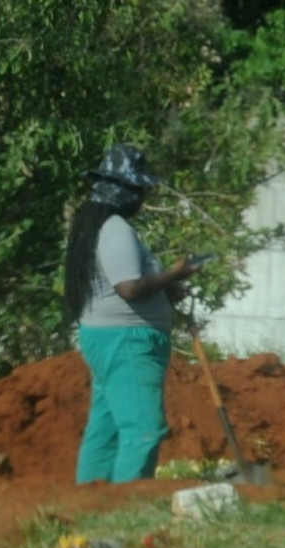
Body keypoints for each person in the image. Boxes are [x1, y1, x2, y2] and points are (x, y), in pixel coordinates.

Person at [62, 144, 199, 484]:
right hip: (127, 341)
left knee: (106, 427)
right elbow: (128, 288)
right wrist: (175, 273)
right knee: (144, 428)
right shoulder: (115, 228)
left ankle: (90, 498)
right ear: (124, 190)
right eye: (140, 189)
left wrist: (165, 290)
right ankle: (128, 503)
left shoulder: (94, 225)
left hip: (107, 337)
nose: (143, 196)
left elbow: (123, 281)